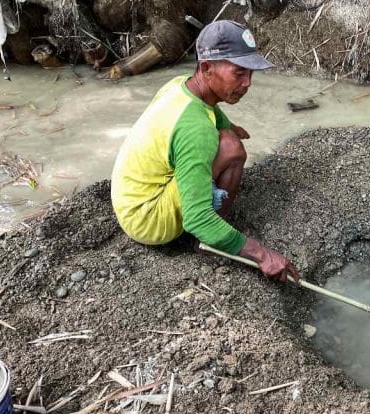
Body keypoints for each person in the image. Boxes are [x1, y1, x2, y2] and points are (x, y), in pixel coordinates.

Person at [111, 20, 300, 283]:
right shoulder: (196, 131)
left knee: (226, 137)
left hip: (128, 201)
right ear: (206, 68)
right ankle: (210, 244)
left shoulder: (180, 84)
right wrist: (261, 254)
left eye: (251, 74)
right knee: (232, 149)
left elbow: (210, 109)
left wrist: (228, 125)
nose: (248, 83)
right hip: (147, 220)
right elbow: (196, 219)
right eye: (239, 73)